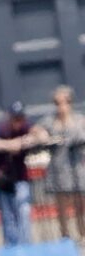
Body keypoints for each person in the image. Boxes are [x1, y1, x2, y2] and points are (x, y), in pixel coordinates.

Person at [31, 86, 85, 240]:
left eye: (64, 102)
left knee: (80, 204)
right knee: (61, 206)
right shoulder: (50, 121)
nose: (61, 106)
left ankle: (82, 234)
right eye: (57, 103)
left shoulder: (79, 120)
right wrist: (40, 134)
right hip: (59, 168)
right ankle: (65, 236)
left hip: (77, 167)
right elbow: (34, 129)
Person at [0, 101, 34, 246]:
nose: (18, 122)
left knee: (23, 210)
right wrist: (9, 145)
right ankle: (12, 245)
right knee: (7, 215)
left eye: (20, 118)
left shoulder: (26, 127)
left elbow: (42, 135)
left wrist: (23, 141)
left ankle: (25, 244)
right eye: (15, 118)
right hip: (2, 181)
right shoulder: (1, 129)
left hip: (20, 178)